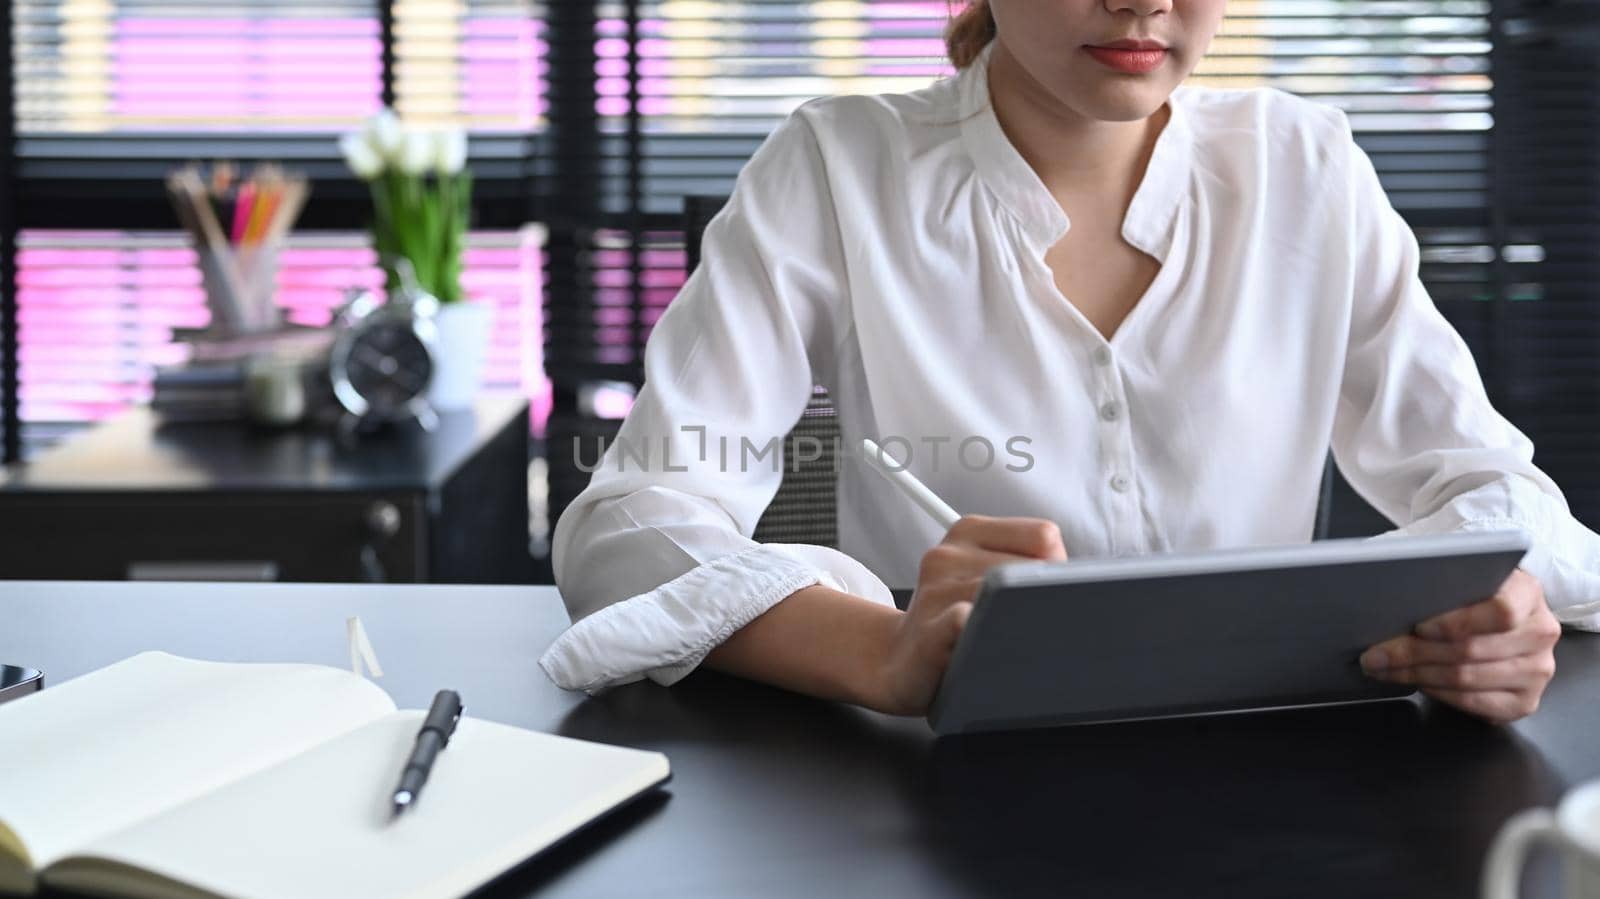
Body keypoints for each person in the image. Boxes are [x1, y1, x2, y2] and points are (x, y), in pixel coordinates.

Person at [540, 0, 1600, 724]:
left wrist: (1490, 604)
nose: (1141, 1)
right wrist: (879, 646)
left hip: (1273, 766)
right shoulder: (836, 164)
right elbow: (629, 523)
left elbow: (1491, 489)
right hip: (931, 783)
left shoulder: (1304, 163)